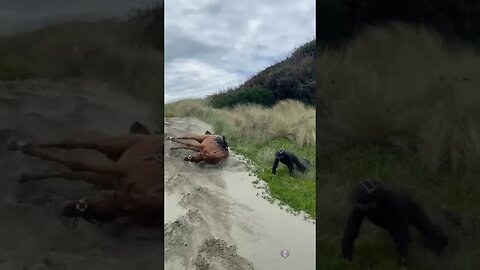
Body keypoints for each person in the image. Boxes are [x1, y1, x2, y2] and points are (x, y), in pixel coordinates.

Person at [341, 180, 449, 267]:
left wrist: (402, 259)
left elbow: (401, 229)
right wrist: (347, 257)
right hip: (390, 221)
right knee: (399, 239)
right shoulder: (361, 206)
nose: (360, 209)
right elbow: (351, 230)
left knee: (429, 231)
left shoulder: (394, 203)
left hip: (409, 208)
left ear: (374, 201)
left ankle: (446, 238)